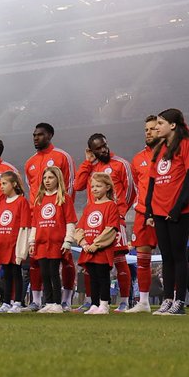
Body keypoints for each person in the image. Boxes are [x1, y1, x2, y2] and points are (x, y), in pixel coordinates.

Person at [145, 109, 189, 317]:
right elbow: (152, 182)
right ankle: (167, 300)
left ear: (173, 125)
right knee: (166, 256)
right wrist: (149, 210)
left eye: (160, 123)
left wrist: (178, 207)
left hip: (179, 210)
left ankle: (179, 302)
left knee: (179, 256)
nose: (156, 127)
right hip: (158, 210)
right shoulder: (159, 150)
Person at [74, 133, 133, 310]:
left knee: (120, 259)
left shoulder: (121, 163)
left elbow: (131, 189)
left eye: (104, 145)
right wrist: (87, 162)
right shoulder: (92, 167)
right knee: (91, 260)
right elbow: (77, 186)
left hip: (112, 218)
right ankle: (92, 301)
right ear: (92, 151)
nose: (103, 150)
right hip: (93, 222)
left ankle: (123, 301)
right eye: (98, 148)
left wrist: (121, 212)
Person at [23, 124, 74, 310]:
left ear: (50, 135)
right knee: (39, 267)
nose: (36, 138)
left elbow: (69, 185)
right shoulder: (30, 163)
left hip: (57, 226)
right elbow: (32, 190)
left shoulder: (62, 156)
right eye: (34, 135)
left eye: (40, 135)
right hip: (39, 226)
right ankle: (41, 301)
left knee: (62, 266)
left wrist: (61, 213)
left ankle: (65, 301)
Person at [30, 166, 77, 314]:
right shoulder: (40, 199)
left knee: (54, 272)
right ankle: (48, 302)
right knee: (44, 273)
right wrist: (32, 242)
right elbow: (35, 224)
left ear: (58, 179)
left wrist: (68, 240)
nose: (47, 181)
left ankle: (57, 302)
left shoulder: (64, 198)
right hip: (41, 242)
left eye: (50, 177)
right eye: (45, 178)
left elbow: (70, 221)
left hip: (56, 242)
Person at [126, 116, 161, 313]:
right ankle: (144, 302)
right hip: (142, 212)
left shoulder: (170, 154)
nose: (148, 132)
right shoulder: (138, 159)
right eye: (146, 129)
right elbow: (136, 187)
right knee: (142, 258)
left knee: (173, 257)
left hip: (165, 212)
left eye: (153, 128)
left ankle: (174, 300)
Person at [75, 172, 122, 315]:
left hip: (101, 250)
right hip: (88, 249)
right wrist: (83, 243)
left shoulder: (111, 206)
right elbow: (79, 228)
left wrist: (96, 244)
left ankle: (104, 304)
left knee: (102, 276)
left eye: (98, 186)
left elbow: (111, 229)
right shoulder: (89, 207)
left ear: (107, 187)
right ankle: (94, 304)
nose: (94, 189)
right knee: (92, 277)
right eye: (92, 186)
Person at [0, 171, 31, 313]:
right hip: (3, 245)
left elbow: (25, 226)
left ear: (14, 184)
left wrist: (22, 249)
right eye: (0, 184)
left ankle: (18, 302)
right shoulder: (0, 203)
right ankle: (6, 302)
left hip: (15, 245)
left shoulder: (21, 201)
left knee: (16, 273)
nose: (1, 187)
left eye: (4, 183)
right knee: (5, 275)